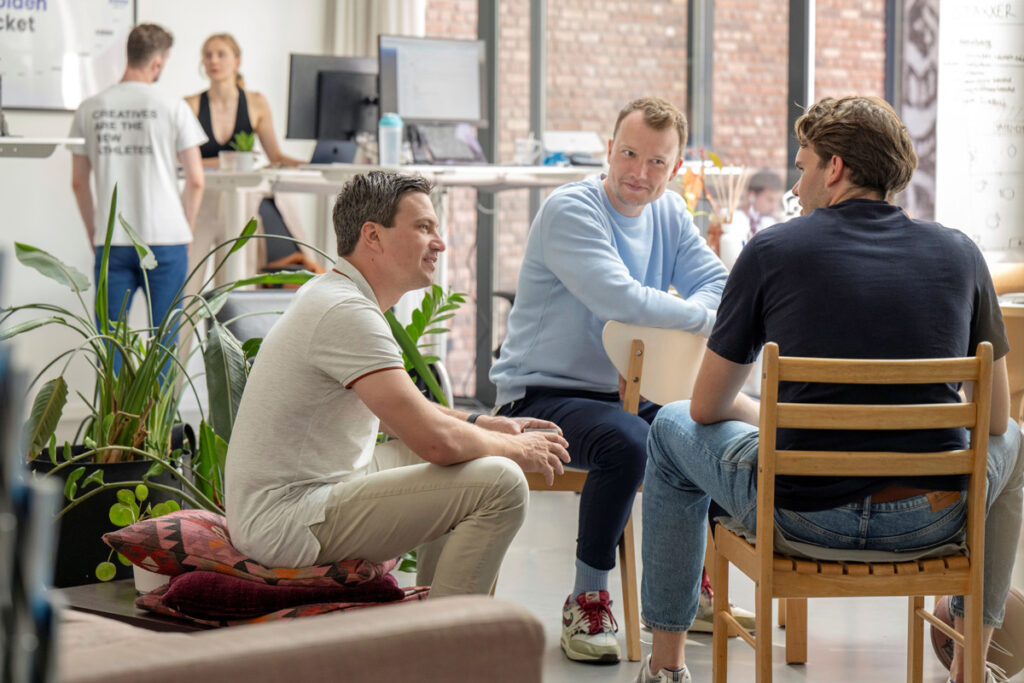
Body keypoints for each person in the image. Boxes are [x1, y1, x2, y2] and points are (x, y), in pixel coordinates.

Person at [635, 96, 1022, 683]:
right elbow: (994, 423)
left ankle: (665, 670)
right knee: (1017, 439)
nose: (798, 180)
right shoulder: (961, 254)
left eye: (802, 165)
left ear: (834, 167)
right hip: (930, 521)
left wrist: (774, 416)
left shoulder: (771, 250)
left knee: (668, 428)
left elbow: (708, 406)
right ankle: (972, 665)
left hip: (801, 518)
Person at [224, 171, 571, 598]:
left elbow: (409, 410)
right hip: (287, 522)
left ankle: (430, 605)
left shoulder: (335, 294)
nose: (439, 243)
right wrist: (519, 450)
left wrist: (481, 423)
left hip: (304, 496)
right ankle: (443, 644)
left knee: (462, 453)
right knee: (502, 482)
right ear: (373, 236)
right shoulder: (346, 312)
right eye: (424, 227)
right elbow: (436, 442)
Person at [490, 96, 736, 664]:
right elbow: (618, 300)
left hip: (625, 394)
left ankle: (685, 590)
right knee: (629, 441)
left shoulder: (670, 214)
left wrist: (698, 307)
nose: (638, 173)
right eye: (628, 154)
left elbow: (720, 284)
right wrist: (698, 315)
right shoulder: (570, 209)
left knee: (699, 430)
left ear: (675, 170)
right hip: (539, 394)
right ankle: (587, 598)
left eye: (656, 162)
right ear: (608, 151)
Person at [69, 23, 206, 350]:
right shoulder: (174, 107)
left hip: (111, 240)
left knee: (110, 345)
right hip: (167, 240)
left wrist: (94, 232)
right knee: (164, 345)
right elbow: (197, 180)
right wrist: (186, 229)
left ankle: (113, 405)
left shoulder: (90, 108)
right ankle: (160, 405)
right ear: (157, 62)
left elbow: (78, 182)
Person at [184, 33, 320, 291]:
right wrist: (234, 161)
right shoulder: (190, 105)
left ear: (236, 61)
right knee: (187, 287)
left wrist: (311, 165)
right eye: (208, 54)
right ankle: (179, 334)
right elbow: (184, 161)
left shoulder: (256, 103)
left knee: (234, 287)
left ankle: (231, 333)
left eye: (221, 54)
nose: (213, 60)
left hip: (240, 204)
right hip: (201, 201)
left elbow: (276, 157)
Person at [718, 169, 785, 269]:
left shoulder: (770, 222)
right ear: (751, 195)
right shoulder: (733, 221)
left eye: (777, 201)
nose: (774, 206)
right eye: (770, 199)